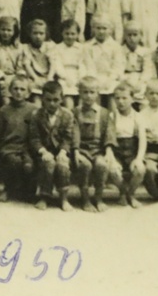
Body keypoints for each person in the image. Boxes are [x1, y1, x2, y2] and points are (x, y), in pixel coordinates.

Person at [27, 80, 80, 212]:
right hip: (43, 151)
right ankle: (45, 196)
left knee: (63, 165)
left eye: (56, 100)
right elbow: (34, 138)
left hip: (60, 151)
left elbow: (68, 137)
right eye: (48, 100)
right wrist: (43, 151)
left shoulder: (67, 115)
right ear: (42, 99)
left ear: (61, 99)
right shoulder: (36, 115)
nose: (52, 103)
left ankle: (64, 198)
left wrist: (63, 152)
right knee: (48, 163)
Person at [0, 75, 36, 203]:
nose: (18, 92)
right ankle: (8, 189)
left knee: (29, 165)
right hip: (9, 147)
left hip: (27, 147)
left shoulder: (33, 110)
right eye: (15, 89)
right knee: (13, 161)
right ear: (10, 91)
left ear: (28, 93)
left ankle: (27, 190)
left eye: (22, 89)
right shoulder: (4, 110)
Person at [105, 82, 147, 208]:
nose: (121, 101)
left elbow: (142, 139)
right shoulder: (111, 116)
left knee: (140, 169)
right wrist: (112, 159)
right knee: (113, 170)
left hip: (132, 151)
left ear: (132, 99)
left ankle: (131, 194)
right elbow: (109, 139)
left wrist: (139, 158)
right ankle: (123, 193)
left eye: (124, 98)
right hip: (117, 150)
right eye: (117, 98)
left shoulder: (138, 117)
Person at [74, 77, 109, 212]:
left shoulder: (104, 113)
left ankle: (98, 198)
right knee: (85, 166)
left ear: (97, 93)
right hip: (81, 150)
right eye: (85, 92)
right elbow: (74, 133)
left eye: (92, 92)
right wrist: (76, 151)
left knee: (101, 165)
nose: (88, 96)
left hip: (98, 150)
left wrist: (109, 151)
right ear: (79, 93)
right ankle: (85, 199)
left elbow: (109, 134)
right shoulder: (75, 112)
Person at [81, 15, 125, 106]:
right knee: (92, 89)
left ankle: (113, 113)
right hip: (94, 77)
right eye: (98, 28)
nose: (101, 31)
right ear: (93, 29)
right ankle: (96, 112)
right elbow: (89, 65)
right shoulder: (87, 46)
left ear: (110, 30)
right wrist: (95, 80)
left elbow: (117, 66)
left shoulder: (116, 47)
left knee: (113, 90)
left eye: (104, 28)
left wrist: (110, 79)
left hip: (111, 78)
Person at [0, 16, 22, 106]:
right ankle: (7, 110)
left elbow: (20, 66)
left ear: (14, 32)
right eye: (3, 29)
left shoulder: (19, 48)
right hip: (0, 79)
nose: (6, 33)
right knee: (5, 91)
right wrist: (3, 78)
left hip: (16, 78)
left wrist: (17, 78)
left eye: (9, 30)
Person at [17, 19, 54, 101]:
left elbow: (53, 64)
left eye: (41, 33)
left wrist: (49, 78)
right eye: (35, 33)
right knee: (35, 94)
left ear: (46, 34)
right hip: (33, 77)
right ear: (30, 34)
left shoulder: (50, 46)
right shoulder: (26, 47)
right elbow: (27, 65)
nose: (38, 36)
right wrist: (36, 79)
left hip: (48, 77)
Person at [50, 19, 84, 109]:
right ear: (62, 33)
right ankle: (69, 113)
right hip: (64, 77)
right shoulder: (57, 48)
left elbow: (83, 64)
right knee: (68, 97)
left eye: (73, 34)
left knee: (82, 97)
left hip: (79, 76)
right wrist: (65, 78)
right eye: (67, 33)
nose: (70, 36)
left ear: (77, 34)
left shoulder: (82, 48)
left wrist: (81, 78)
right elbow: (57, 65)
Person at [120, 22, 154, 101]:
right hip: (125, 78)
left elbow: (148, 69)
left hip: (140, 78)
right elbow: (119, 68)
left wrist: (141, 82)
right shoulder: (120, 50)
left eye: (135, 35)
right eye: (129, 35)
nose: (132, 38)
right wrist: (126, 80)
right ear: (124, 36)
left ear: (140, 36)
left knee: (144, 90)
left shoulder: (145, 52)